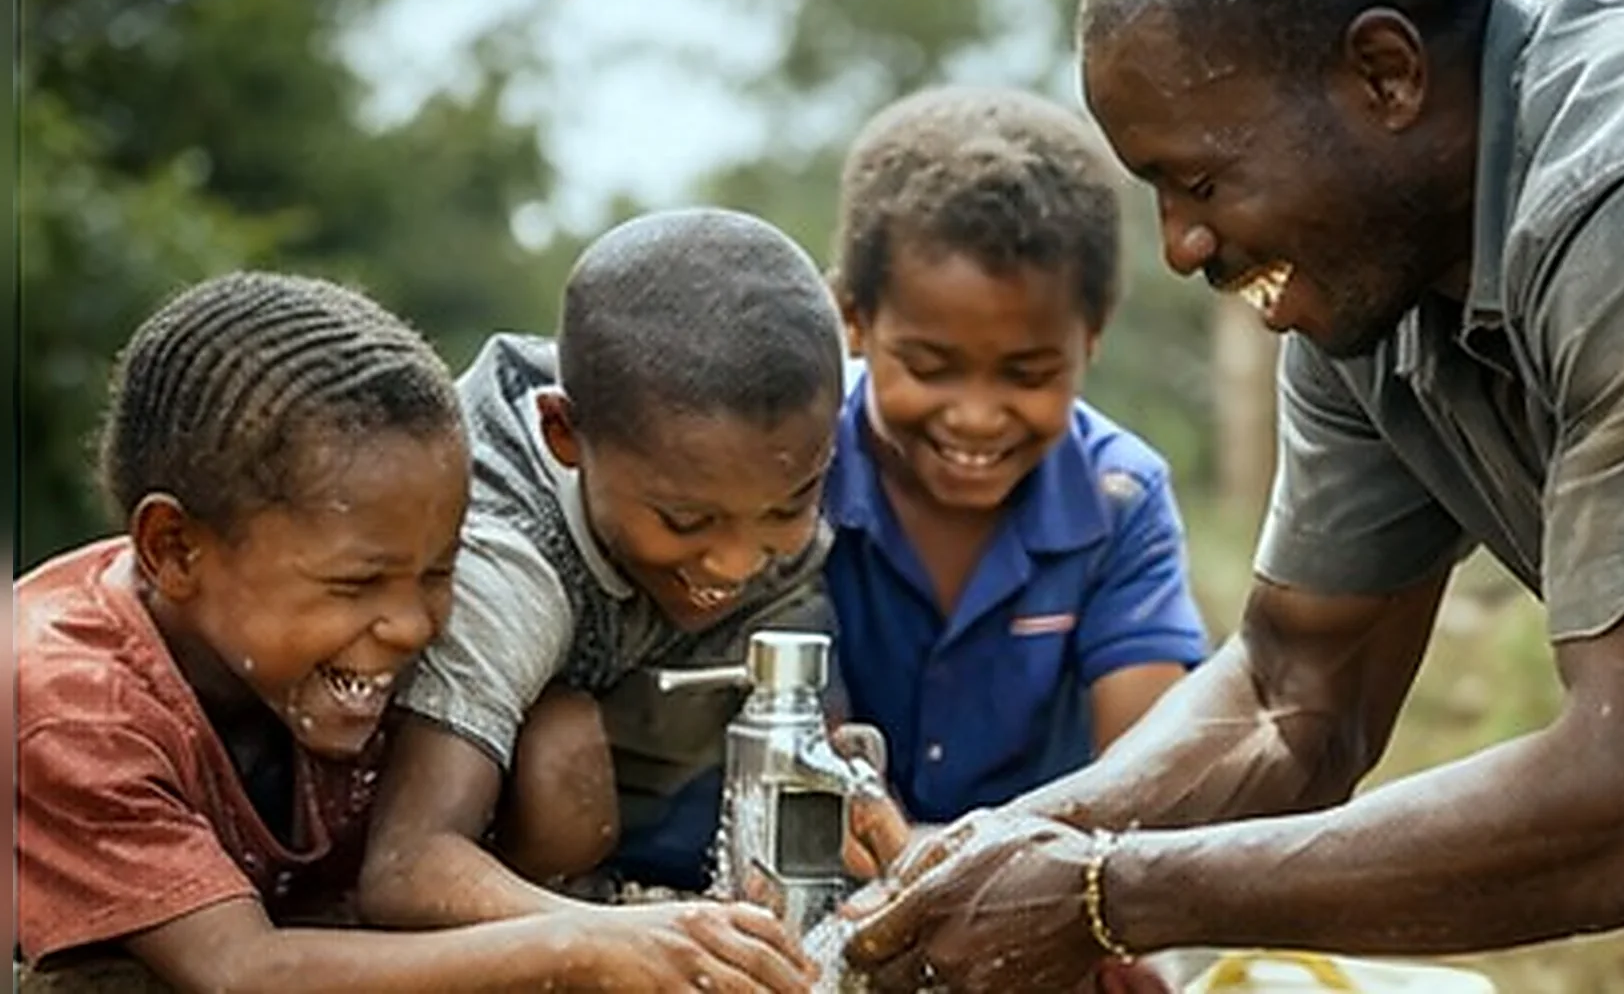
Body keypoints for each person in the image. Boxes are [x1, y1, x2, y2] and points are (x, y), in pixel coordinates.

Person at [841, 0, 1624, 992]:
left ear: (1383, 75)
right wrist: (1008, 847)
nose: (1177, 246)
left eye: (1198, 182)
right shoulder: (1362, 282)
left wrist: (1108, 893)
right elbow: (1292, 693)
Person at [15, 271, 807, 992]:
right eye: (357, 584)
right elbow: (239, 971)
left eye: (439, 570)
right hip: (190, 965)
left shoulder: (302, 653)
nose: (413, 624)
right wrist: (584, 945)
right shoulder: (69, 707)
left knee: (557, 736)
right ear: (176, 549)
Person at [353, 209, 879, 989]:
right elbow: (405, 865)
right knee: (558, 751)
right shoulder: (507, 559)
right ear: (565, 436)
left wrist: (848, 797)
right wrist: (615, 938)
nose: (736, 559)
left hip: (633, 734)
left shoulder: (751, 460)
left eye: (788, 505)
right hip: (385, 809)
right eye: (686, 521)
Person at [822, 84, 1207, 828]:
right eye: (930, 367)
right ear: (854, 322)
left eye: (1028, 376)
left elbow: (1146, 774)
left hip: (1032, 889)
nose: (975, 416)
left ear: (1091, 337)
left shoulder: (1120, 498)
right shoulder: (795, 467)